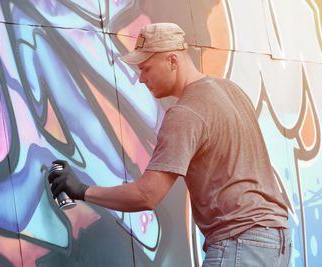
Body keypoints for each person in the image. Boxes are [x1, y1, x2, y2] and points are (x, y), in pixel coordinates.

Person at [48, 22, 292, 266]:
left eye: (146, 68)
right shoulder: (231, 91)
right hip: (276, 239)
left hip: (239, 241)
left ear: (173, 61)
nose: (141, 78)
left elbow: (147, 195)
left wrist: (81, 190)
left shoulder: (186, 112)